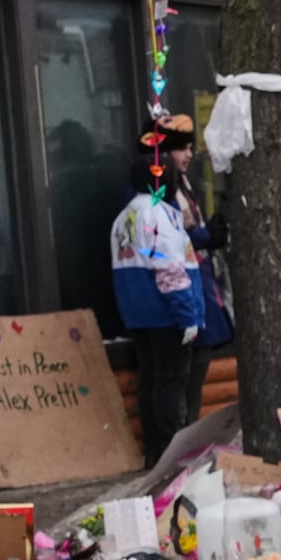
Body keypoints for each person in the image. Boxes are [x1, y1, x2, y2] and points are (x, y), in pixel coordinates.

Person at [110, 115, 218, 447]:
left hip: (138, 314)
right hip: (166, 313)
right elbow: (171, 270)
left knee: (151, 379)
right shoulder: (161, 214)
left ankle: (156, 448)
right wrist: (188, 317)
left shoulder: (124, 217)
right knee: (172, 381)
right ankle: (174, 450)